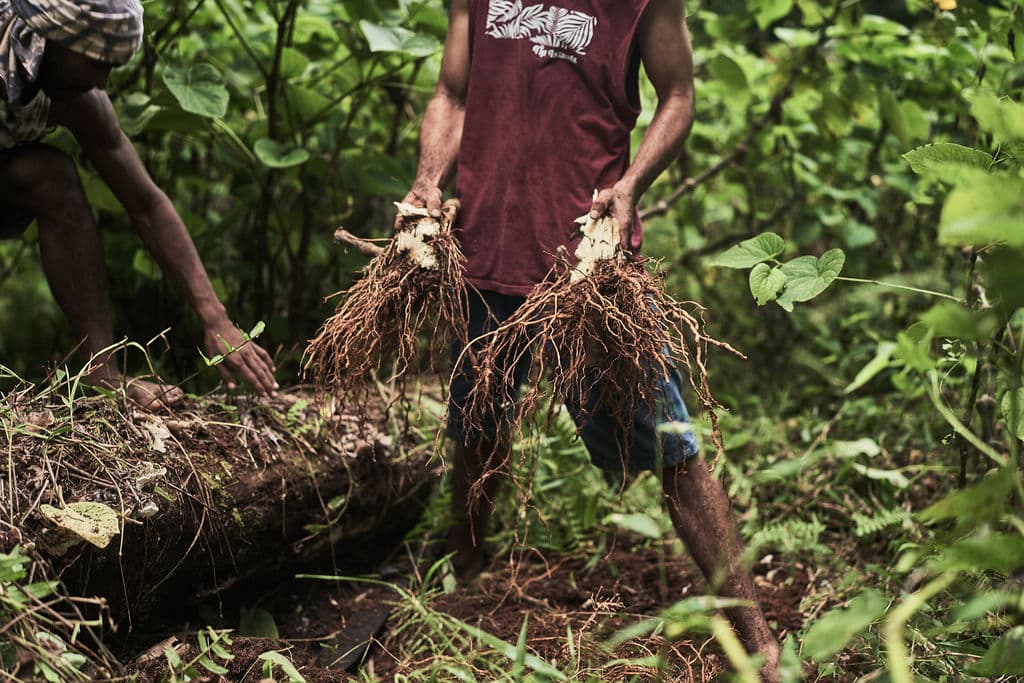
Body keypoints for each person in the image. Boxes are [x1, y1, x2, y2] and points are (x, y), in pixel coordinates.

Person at [401, 0, 781, 678]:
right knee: (479, 421)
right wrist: (429, 181)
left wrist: (633, 183)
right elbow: (453, 93)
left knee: (671, 449)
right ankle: (464, 575)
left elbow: (679, 96)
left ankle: (758, 643)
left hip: (586, 266)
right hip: (484, 246)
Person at [0, 0, 277, 407]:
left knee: (50, 177)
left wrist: (215, 317)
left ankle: (101, 373)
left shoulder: (78, 98)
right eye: (96, 60)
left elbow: (146, 203)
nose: (104, 81)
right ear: (54, 39)